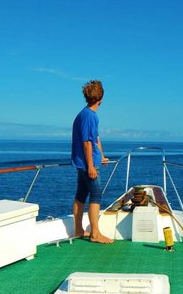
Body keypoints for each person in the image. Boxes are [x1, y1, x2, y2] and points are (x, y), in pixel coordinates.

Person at [71, 80, 113, 244]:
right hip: (88, 165)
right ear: (101, 99)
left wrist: (101, 156)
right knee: (96, 196)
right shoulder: (89, 116)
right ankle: (95, 233)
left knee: (80, 195)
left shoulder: (84, 114)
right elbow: (87, 143)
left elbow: (95, 139)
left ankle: (79, 230)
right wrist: (91, 166)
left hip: (82, 163)